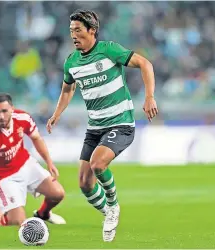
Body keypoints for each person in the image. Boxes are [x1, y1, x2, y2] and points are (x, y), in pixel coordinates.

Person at [46, 10, 158, 242]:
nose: (73, 36)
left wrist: (149, 97)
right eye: (71, 31)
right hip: (94, 127)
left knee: (98, 164)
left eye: (78, 30)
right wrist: (57, 114)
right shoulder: (71, 62)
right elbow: (68, 89)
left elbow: (145, 64)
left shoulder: (109, 50)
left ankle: (113, 206)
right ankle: (108, 212)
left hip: (121, 123)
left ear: (92, 30)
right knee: (85, 184)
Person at [0, 93, 66, 227]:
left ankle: (43, 214)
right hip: (5, 177)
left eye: (4, 111)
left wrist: (49, 162)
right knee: (17, 221)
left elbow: (37, 138)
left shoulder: (23, 118)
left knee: (58, 194)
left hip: (25, 164)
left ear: (12, 109)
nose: (1, 116)